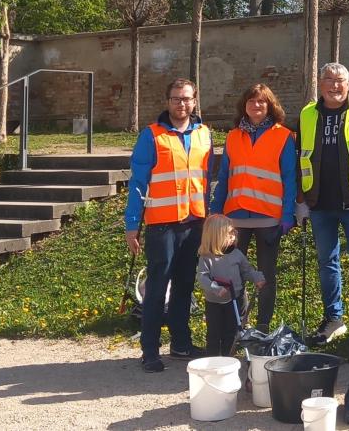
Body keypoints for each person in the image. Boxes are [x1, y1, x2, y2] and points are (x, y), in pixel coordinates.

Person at [124, 78, 212, 373]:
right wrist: (132, 224)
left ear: (194, 101)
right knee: (158, 286)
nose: (181, 104)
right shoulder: (152, 136)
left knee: (185, 285)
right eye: (176, 99)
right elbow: (138, 182)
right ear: (167, 101)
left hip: (194, 222)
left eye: (186, 99)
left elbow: (205, 179)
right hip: (162, 224)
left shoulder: (204, 134)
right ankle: (150, 350)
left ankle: (181, 343)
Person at [295, 63, 349, 344]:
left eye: (340, 80)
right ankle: (334, 318)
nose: (335, 85)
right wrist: (300, 200)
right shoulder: (307, 114)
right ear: (320, 84)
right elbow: (300, 157)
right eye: (329, 80)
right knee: (327, 263)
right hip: (319, 204)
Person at [209, 84, 297, 333]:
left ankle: (262, 326)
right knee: (233, 273)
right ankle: (239, 326)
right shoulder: (233, 136)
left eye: (261, 101)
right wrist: (215, 211)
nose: (256, 106)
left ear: (270, 105)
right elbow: (224, 177)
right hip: (235, 218)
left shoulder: (283, 136)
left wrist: (287, 215)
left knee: (265, 275)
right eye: (251, 101)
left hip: (269, 219)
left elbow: (290, 178)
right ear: (243, 106)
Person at [196, 214, 266, 357]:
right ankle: (213, 361)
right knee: (214, 333)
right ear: (216, 236)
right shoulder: (207, 257)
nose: (234, 235)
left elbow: (247, 271)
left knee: (231, 332)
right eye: (229, 233)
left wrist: (257, 278)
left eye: (234, 232)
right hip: (214, 301)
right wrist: (215, 288)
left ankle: (228, 359)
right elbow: (202, 277)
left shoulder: (237, 254)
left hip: (236, 299)